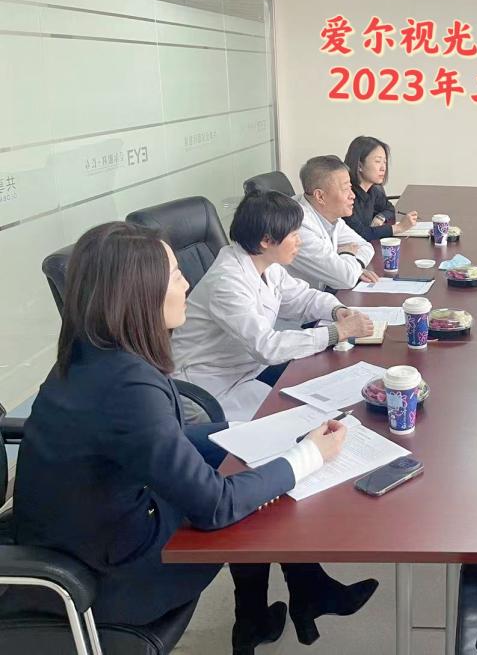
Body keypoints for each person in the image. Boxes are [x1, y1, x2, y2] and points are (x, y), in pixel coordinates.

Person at [13, 222, 377, 654]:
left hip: (98, 526)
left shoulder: (94, 356)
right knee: (260, 497)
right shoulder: (127, 386)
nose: (187, 283)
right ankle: (281, 604)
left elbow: (160, 441)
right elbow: (216, 506)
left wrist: (255, 433)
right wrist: (308, 455)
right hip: (114, 579)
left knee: (253, 460)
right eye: (175, 275)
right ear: (139, 293)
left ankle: (273, 609)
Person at [172, 190, 373, 422]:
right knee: (300, 424)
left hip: (242, 375)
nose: (299, 241)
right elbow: (266, 346)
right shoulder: (227, 282)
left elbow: (302, 297)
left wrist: (336, 310)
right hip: (207, 391)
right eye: (293, 234)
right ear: (266, 241)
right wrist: (336, 332)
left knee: (313, 413)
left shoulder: (267, 264)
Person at [289, 155, 378, 292]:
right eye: (345, 189)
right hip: (300, 302)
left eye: (350, 187)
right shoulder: (298, 226)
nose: (352, 195)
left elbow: (365, 246)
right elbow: (346, 279)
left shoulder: (329, 215)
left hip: (322, 294)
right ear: (320, 196)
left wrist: (355, 268)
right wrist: (347, 254)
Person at [343, 135, 418, 241]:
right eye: (378, 161)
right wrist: (399, 227)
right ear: (359, 165)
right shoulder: (347, 195)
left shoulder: (373, 190)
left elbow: (389, 208)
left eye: (385, 162)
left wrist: (380, 217)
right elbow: (360, 234)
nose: (383, 168)